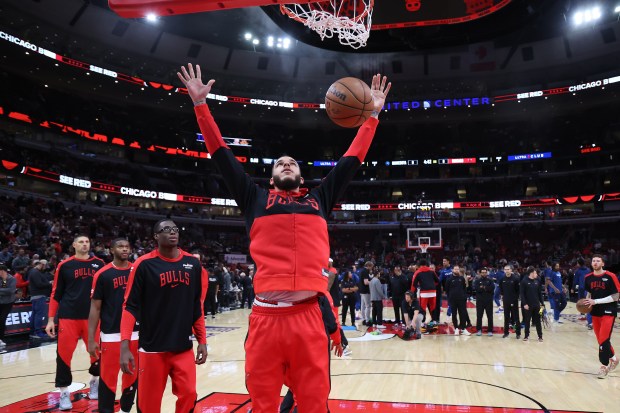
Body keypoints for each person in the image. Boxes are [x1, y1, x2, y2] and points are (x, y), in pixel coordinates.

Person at [178, 62, 390, 413]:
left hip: (308, 317)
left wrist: (373, 116)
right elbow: (222, 156)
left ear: (302, 175)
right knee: (262, 404)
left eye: (292, 163)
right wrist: (201, 106)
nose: (287, 164)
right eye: (280, 164)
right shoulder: (255, 199)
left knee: (314, 403)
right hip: (266, 320)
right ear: (272, 178)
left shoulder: (318, 199)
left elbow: (352, 159)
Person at [120, 220, 207, 413]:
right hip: (152, 348)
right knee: (149, 404)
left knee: (189, 394)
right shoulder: (144, 264)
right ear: (155, 236)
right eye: (165, 230)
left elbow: (196, 306)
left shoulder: (193, 264)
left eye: (175, 229)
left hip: (182, 347)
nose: (172, 232)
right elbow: (130, 306)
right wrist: (125, 345)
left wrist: (202, 340)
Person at [46, 235, 104, 410]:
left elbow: (106, 292)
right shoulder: (65, 266)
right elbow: (56, 293)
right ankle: (64, 393)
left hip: (93, 318)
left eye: (87, 241)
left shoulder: (100, 264)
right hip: (68, 317)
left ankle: (94, 381)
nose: (85, 244)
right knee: (64, 356)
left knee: (97, 354)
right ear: (73, 245)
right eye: (81, 242)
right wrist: (50, 320)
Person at [87, 239, 138, 413]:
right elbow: (95, 307)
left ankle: (125, 410)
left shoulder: (137, 270)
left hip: (136, 333)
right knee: (108, 379)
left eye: (127, 246)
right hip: (111, 334)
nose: (124, 249)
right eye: (120, 246)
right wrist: (90, 338)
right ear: (111, 250)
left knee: (132, 377)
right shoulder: (103, 274)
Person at [581, 254, 620, 378]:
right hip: (595, 312)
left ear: (603, 263)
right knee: (601, 340)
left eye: (598, 261)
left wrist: (595, 301)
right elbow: (589, 293)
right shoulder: (588, 277)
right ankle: (614, 358)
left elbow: (616, 296)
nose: (595, 263)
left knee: (603, 339)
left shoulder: (611, 276)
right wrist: (586, 304)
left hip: (609, 311)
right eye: (593, 261)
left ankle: (604, 367)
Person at [28, 259, 52, 339]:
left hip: (37, 296)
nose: (44, 268)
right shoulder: (35, 272)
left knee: (35, 314)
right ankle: (37, 332)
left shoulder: (34, 272)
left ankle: (32, 332)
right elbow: (39, 284)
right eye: (44, 266)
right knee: (38, 315)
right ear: (42, 264)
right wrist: (49, 283)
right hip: (38, 296)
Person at [411, 259, 440, 324]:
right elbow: (438, 281)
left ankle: (422, 322)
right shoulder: (432, 271)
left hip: (424, 292)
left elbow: (414, 284)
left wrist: (412, 293)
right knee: (433, 307)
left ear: (419, 265)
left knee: (422, 308)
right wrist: (432, 285)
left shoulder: (418, 272)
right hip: (433, 292)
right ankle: (434, 321)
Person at [520, 266, 544, 342]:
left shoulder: (537, 281)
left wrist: (542, 303)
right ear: (531, 273)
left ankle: (540, 336)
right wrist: (525, 304)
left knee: (538, 321)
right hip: (528, 305)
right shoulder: (524, 281)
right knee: (527, 321)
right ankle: (526, 336)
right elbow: (522, 294)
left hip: (537, 305)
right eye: (535, 273)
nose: (536, 274)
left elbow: (539, 293)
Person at [445, 264, 470, 336]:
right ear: (452, 270)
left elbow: (464, 288)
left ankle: (463, 329)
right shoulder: (449, 279)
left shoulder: (462, 278)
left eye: (458, 269)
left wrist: (464, 296)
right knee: (454, 314)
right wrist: (450, 298)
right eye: (455, 269)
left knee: (462, 314)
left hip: (461, 299)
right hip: (453, 300)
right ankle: (456, 328)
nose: (456, 270)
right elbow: (447, 290)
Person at [499, 264, 521, 339]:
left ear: (511, 270)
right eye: (505, 269)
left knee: (516, 318)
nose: (506, 271)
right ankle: (506, 333)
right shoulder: (502, 279)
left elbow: (518, 290)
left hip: (514, 301)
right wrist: (502, 297)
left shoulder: (515, 278)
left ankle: (518, 333)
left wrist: (515, 299)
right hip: (506, 301)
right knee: (506, 317)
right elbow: (501, 289)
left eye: (508, 269)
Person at [473, 267, 495, 336]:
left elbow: (492, 288)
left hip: (489, 301)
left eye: (485, 272)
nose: (484, 273)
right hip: (480, 301)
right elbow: (476, 289)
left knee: (490, 316)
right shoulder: (477, 281)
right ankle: (479, 330)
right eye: (482, 272)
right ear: (480, 273)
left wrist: (483, 287)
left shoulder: (490, 280)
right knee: (479, 316)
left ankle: (490, 330)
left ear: (487, 273)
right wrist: (485, 288)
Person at [572, 257, 592, 329]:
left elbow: (575, 281)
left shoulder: (578, 271)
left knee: (581, 303)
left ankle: (584, 316)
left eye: (577, 263)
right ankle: (589, 320)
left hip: (581, 288)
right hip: (588, 289)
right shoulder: (588, 270)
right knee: (588, 303)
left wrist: (572, 288)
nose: (576, 264)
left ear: (579, 263)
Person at [0, 264, 17, 349]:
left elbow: (10, 291)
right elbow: (4, 289)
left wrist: (4, 280)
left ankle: (1, 338)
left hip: (8, 302)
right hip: (0, 301)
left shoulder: (12, 279)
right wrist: (3, 280)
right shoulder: (2, 279)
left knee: (2, 319)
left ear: (3, 271)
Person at [359, 261, 373, 326]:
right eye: (371, 267)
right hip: (365, 291)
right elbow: (366, 282)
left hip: (362, 290)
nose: (371, 268)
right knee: (368, 306)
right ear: (369, 266)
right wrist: (373, 282)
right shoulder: (365, 272)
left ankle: (363, 319)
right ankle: (367, 320)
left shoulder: (362, 271)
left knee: (363, 305)